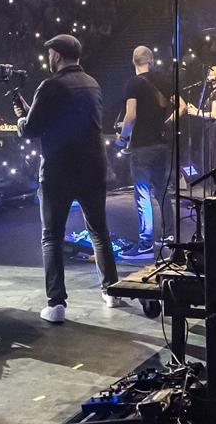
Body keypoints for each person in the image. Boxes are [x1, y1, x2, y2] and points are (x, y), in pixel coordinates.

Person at [15, 33, 125, 322]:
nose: (47, 58)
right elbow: (67, 120)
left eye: (50, 53)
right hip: (92, 167)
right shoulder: (92, 83)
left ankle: (56, 304)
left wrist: (20, 120)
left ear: (57, 55)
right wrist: (32, 115)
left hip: (59, 171)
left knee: (51, 236)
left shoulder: (49, 86)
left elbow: (31, 129)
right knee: (99, 232)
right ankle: (112, 291)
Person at [114, 45, 180, 260]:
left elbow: (130, 116)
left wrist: (122, 138)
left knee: (142, 194)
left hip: (141, 146)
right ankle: (169, 235)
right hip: (160, 143)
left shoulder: (133, 83)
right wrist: (165, 123)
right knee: (161, 190)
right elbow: (183, 107)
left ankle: (145, 244)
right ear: (151, 60)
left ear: (134, 62)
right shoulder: (164, 81)